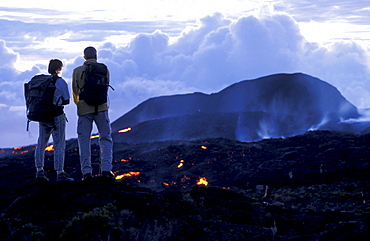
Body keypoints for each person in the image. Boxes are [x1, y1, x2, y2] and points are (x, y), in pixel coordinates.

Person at [72, 46, 114, 181]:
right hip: (101, 107)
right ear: (96, 56)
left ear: (84, 57)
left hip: (84, 108)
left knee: (84, 140)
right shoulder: (104, 68)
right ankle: (106, 170)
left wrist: (80, 104)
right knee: (105, 138)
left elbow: (75, 91)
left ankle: (87, 173)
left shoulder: (77, 71)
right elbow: (106, 85)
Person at [35, 59, 74, 182]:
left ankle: (39, 171)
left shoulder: (43, 82)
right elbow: (67, 100)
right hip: (57, 115)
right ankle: (60, 172)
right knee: (59, 143)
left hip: (43, 116)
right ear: (59, 69)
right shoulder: (60, 81)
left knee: (41, 143)